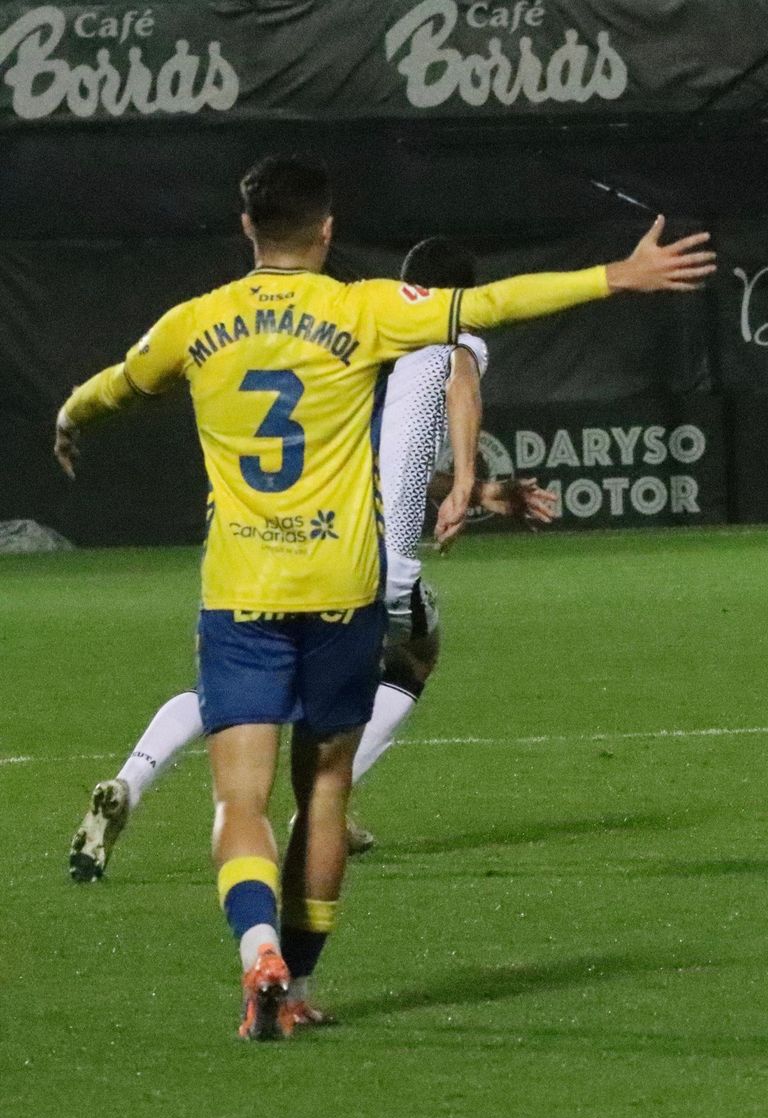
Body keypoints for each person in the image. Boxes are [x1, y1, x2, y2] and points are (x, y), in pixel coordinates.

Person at [52, 154, 715, 1040]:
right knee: (323, 792)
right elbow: (487, 306)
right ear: (325, 230)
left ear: (246, 227)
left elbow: (118, 384)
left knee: (237, 805)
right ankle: (293, 990)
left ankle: (257, 950)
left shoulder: (194, 323)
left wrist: (70, 415)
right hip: (342, 592)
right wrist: (616, 276)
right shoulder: (360, 307)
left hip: (241, 591)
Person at [66, 237, 546, 891]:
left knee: (235, 698)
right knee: (414, 658)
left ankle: (130, 778)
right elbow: (460, 379)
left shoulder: (354, 340)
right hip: (372, 566)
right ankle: (327, 807)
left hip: (287, 553)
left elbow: (374, 454)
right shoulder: (445, 330)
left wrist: (477, 492)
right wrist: (466, 477)